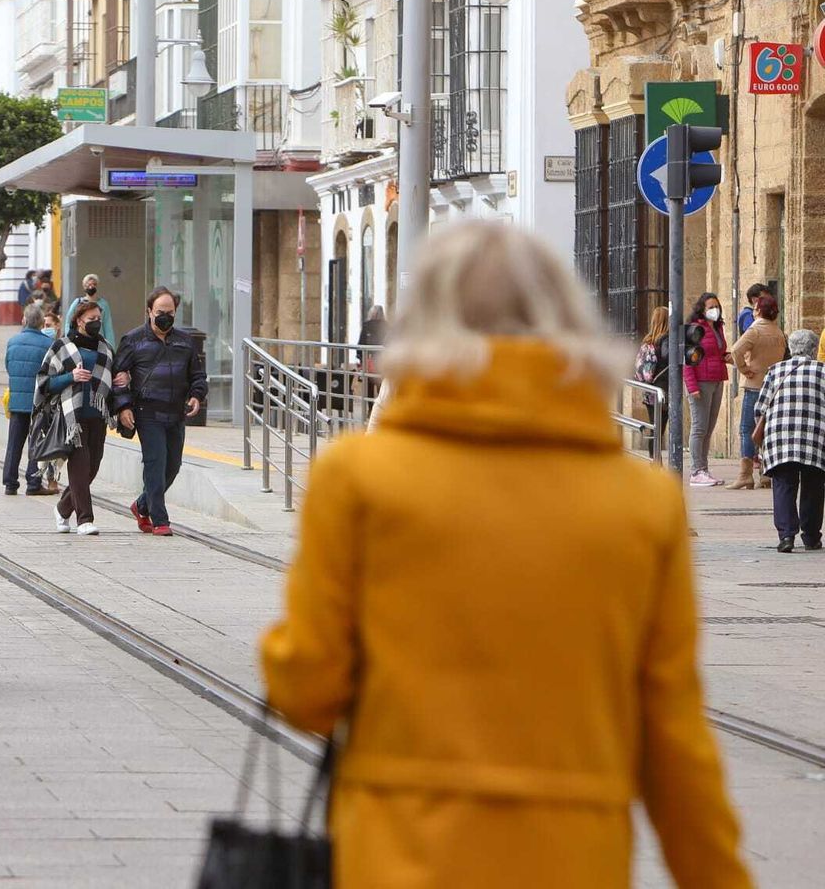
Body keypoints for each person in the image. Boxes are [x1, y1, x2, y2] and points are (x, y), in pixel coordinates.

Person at [259, 222, 754, 889]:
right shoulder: (642, 503)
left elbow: (308, 688)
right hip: (573, 862)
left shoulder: (357, 477)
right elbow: (674, 739)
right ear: (564, 322)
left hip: (396, 858)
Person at [111, 287, 206, 536]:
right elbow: (117, 378)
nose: (166, 316)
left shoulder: (185, 342)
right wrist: (123, 407)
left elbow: (197, 375)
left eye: (171, 312)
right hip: (147, 412)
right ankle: (159, 519)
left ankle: (142, 505)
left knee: (172, 465)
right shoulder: (133, 340)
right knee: (155, 463)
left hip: (176, 414)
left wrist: (197, 395)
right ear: (149, 312)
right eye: (160, 312)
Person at [37, 300, 116, 535]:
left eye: (98, 319)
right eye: (91, 319)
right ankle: (84, 519)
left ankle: (62, 509)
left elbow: (114, 375)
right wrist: (70, 377)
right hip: (72, 417)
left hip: (97, 415)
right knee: (80, 467)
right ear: (79, 320)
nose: (96, 323)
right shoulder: (62, 346)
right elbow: (44, 381)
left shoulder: (105, 347)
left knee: (92, 468)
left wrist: (122, 379)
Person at [752, 328, 825, 553]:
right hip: (815, 438)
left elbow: (760, 407)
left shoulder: (776, 370)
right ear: (814, 350)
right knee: (813, 485)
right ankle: (811, 536)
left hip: (780, 438)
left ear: (790, 349)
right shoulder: (822, 371)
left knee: (784, 485)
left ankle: (786, 536)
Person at [730, 292, 785, 491]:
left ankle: (745, 475)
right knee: (768, 430)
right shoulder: (779, 333)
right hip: (774, 387)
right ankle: (765, 474)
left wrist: (744, 369)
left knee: (747, 429)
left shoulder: (755, 330)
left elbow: (736, 350)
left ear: (759, 310)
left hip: (754, 385)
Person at [2, 304, 53, 496]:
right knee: (37, 441)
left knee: (14, 442)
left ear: (24, 320)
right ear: (41, 322)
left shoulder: (13, 341)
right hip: (38, 401)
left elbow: (9, 366)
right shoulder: (47, 344)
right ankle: (33, 482)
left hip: (16, 400)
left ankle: (10, 483)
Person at [685, 291, 731, 487]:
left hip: (717, 379)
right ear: (702, 310)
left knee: (709, 428)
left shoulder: (717, 328)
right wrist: (692, 386)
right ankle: (696, 470)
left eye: (716, 306)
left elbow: (716, 353)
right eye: (710, 307)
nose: (715, 310)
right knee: (699, 427)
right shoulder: (696, 330)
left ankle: (704, 468)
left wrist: (726, 357)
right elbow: (687, 360)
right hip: (701, 382)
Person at [635, 305, 672, 452]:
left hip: (650, 390)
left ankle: (654, 461)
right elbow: (668, 357)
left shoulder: (648, 340)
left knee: (655, 428)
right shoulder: (665, 340)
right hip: (663, 390)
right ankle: (655, 463)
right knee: (660, 429)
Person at [64, 274, 113, 343]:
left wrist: (111, 346)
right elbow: (68, 321)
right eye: (88, 284)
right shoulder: (77, 302)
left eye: (94, 284)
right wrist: (68, 338)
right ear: (84, 286)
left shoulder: (104, 304)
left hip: (98, 341)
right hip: (79, 339)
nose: (91, 286)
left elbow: (108, 327)